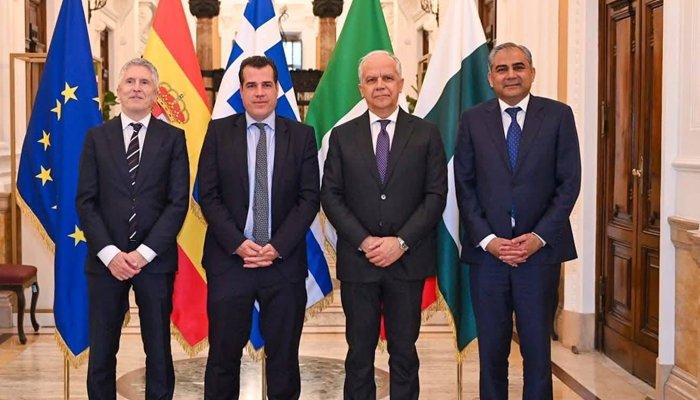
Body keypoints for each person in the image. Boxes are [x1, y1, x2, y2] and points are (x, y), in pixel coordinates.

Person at [454, 42, 581, 400]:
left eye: (519, 67)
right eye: (502, 69)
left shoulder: (558, 116)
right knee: (492, 353)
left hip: (539, 257)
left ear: (532, 73)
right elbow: (464, 184)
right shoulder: (472, 119)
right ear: (490, 78)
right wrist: (488, 240)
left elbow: (569, 183)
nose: (511, 75)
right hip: (488, 259)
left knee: (537, 353)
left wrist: (538, 237)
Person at [321, 50, 447, 400]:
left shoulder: (426, 134)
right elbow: (330, 195)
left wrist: (401, 242)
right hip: (358, 263)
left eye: (387, 78)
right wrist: (364, 241)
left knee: (404, 353)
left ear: (401, 84)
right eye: (372, 79)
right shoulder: (342, 136)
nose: (380, 85)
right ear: (360, 88)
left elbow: (435, 195)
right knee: (358, 354)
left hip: (408, 262)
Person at [198, 55, 319, 400]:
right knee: (223, 358)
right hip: (229, 262)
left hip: (283, 264)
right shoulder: (218, 133)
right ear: (241, 91)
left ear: (278, 89)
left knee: (284, 359)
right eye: (251, 85)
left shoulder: (301, 136)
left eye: (267, 85)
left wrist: (276, 246)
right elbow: (208, 195)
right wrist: (238, 243)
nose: (260, 92)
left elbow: (309, 197)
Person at [76, 57, 189, 400]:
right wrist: (111, 254)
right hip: (105, 263)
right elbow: (86, 201)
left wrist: (143, 254)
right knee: (102, 350)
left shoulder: (173, 138)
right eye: (130, 82)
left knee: (158, 349)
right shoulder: (96, 137)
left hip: (154, 262)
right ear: (118, 89)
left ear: (155, 92)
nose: (136, 88)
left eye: (144, 82)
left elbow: (177, 202)